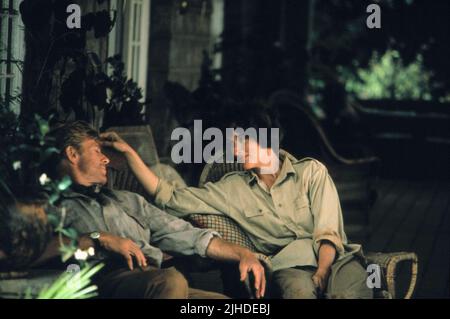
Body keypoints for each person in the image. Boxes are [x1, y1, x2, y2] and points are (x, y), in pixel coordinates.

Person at [102, 107, 373, 299]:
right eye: (231, 142)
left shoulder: (311, 172)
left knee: (348, 294)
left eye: (239, 141)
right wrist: (130, 155)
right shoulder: (232, 188)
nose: (233, 149)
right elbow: (169, 196)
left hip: (337, 260)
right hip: (290, 267)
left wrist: (324, 270)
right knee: (298, 293)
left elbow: (329, 232)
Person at [48, 121, 266, 299]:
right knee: (171, 281)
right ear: (72, 154)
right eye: (97, 151)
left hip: (155, 283)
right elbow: (37, 250)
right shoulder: (51, 204)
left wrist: (243, 254)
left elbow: (186, 234)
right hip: (105, 281)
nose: (106, 158)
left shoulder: (127, 200)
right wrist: (98, 238)